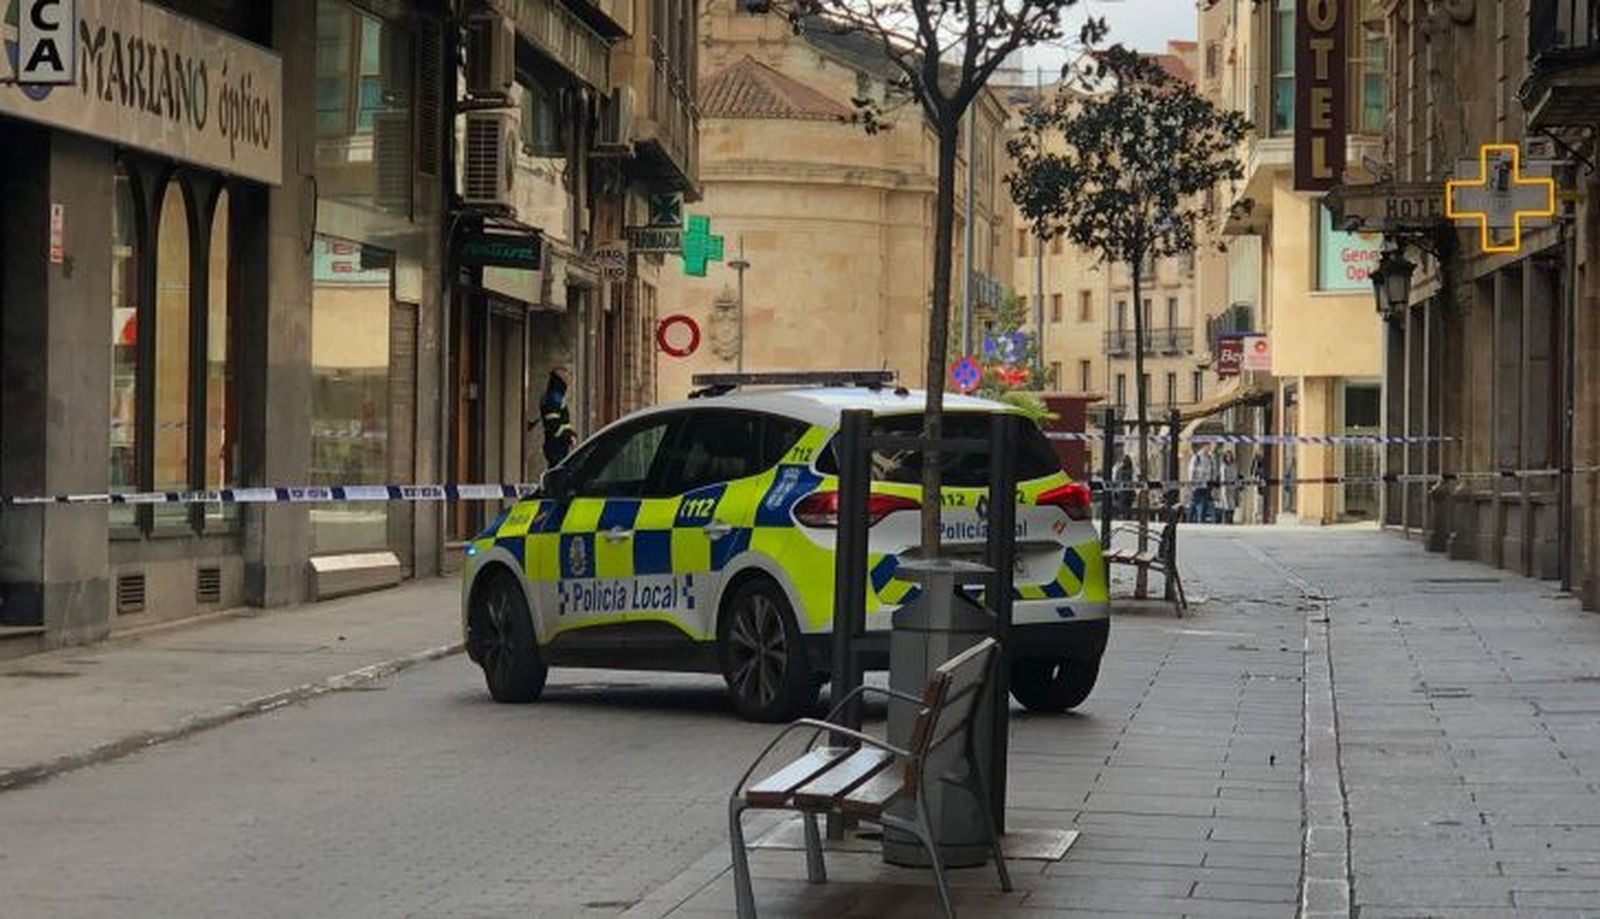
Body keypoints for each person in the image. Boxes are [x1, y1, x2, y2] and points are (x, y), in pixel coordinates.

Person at [534, 370, 577, 468]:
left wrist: (568, 433)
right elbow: (553, 422)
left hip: (555, 443)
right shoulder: (554, 397)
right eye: (566, 375)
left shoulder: (553, 396)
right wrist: (566, 435)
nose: (569, 379)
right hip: (556, 445)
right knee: (558, 470)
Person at [1187, 442, 1218, 524]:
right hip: (1197, 485)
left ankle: (1199, 520)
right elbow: (1191, 471)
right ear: (1204, 446)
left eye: (1210, 446)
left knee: (1202, 503)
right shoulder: (1196, 457)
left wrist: (1213, 483)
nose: (1209, 448)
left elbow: (1214, 471)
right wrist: (1191, 484)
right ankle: (1192, 520)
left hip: (1207, 485)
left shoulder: (1211, 458)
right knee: (1195, 503)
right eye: (1208, 446)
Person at [1217, 450, 1240, 524]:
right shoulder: (1223, 466)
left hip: (1233, 487)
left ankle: (1231, 518)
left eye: (1230, 456)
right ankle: (1226, 519)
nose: (1229, 458)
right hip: (1225, 487)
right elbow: (1223, 476)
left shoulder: (1234, 465)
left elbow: (1236, 476)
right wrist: (1224, 485)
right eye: (1227, 456)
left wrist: (1237, 485)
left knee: (1232, 503)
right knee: (1226, 503)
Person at [1110, 453, 1136, 519]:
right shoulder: (1120, 470)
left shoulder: (1132, 470)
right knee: (1122, 507)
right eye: (1124, 461)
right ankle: (1123, 517)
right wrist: (1115, 491)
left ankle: (1126, 517)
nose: (1125, 462)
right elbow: (1116, 481)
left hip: (1127, 492)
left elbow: (1133, 481)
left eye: (1126, 461)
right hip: (1122, 492)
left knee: (1127, 507)